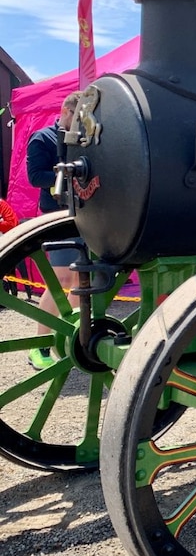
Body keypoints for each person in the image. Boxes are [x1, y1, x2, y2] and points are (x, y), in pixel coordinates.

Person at [25, 91, 82, 370]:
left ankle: (70, 339)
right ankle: (40, 347)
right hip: (57, 216)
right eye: (78, 116)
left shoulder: (84, 140)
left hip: (84, 214)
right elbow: (35, 176)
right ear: (67, 111)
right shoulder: (42, 138)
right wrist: (68, 174)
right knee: (61, 279)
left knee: (82, 279)